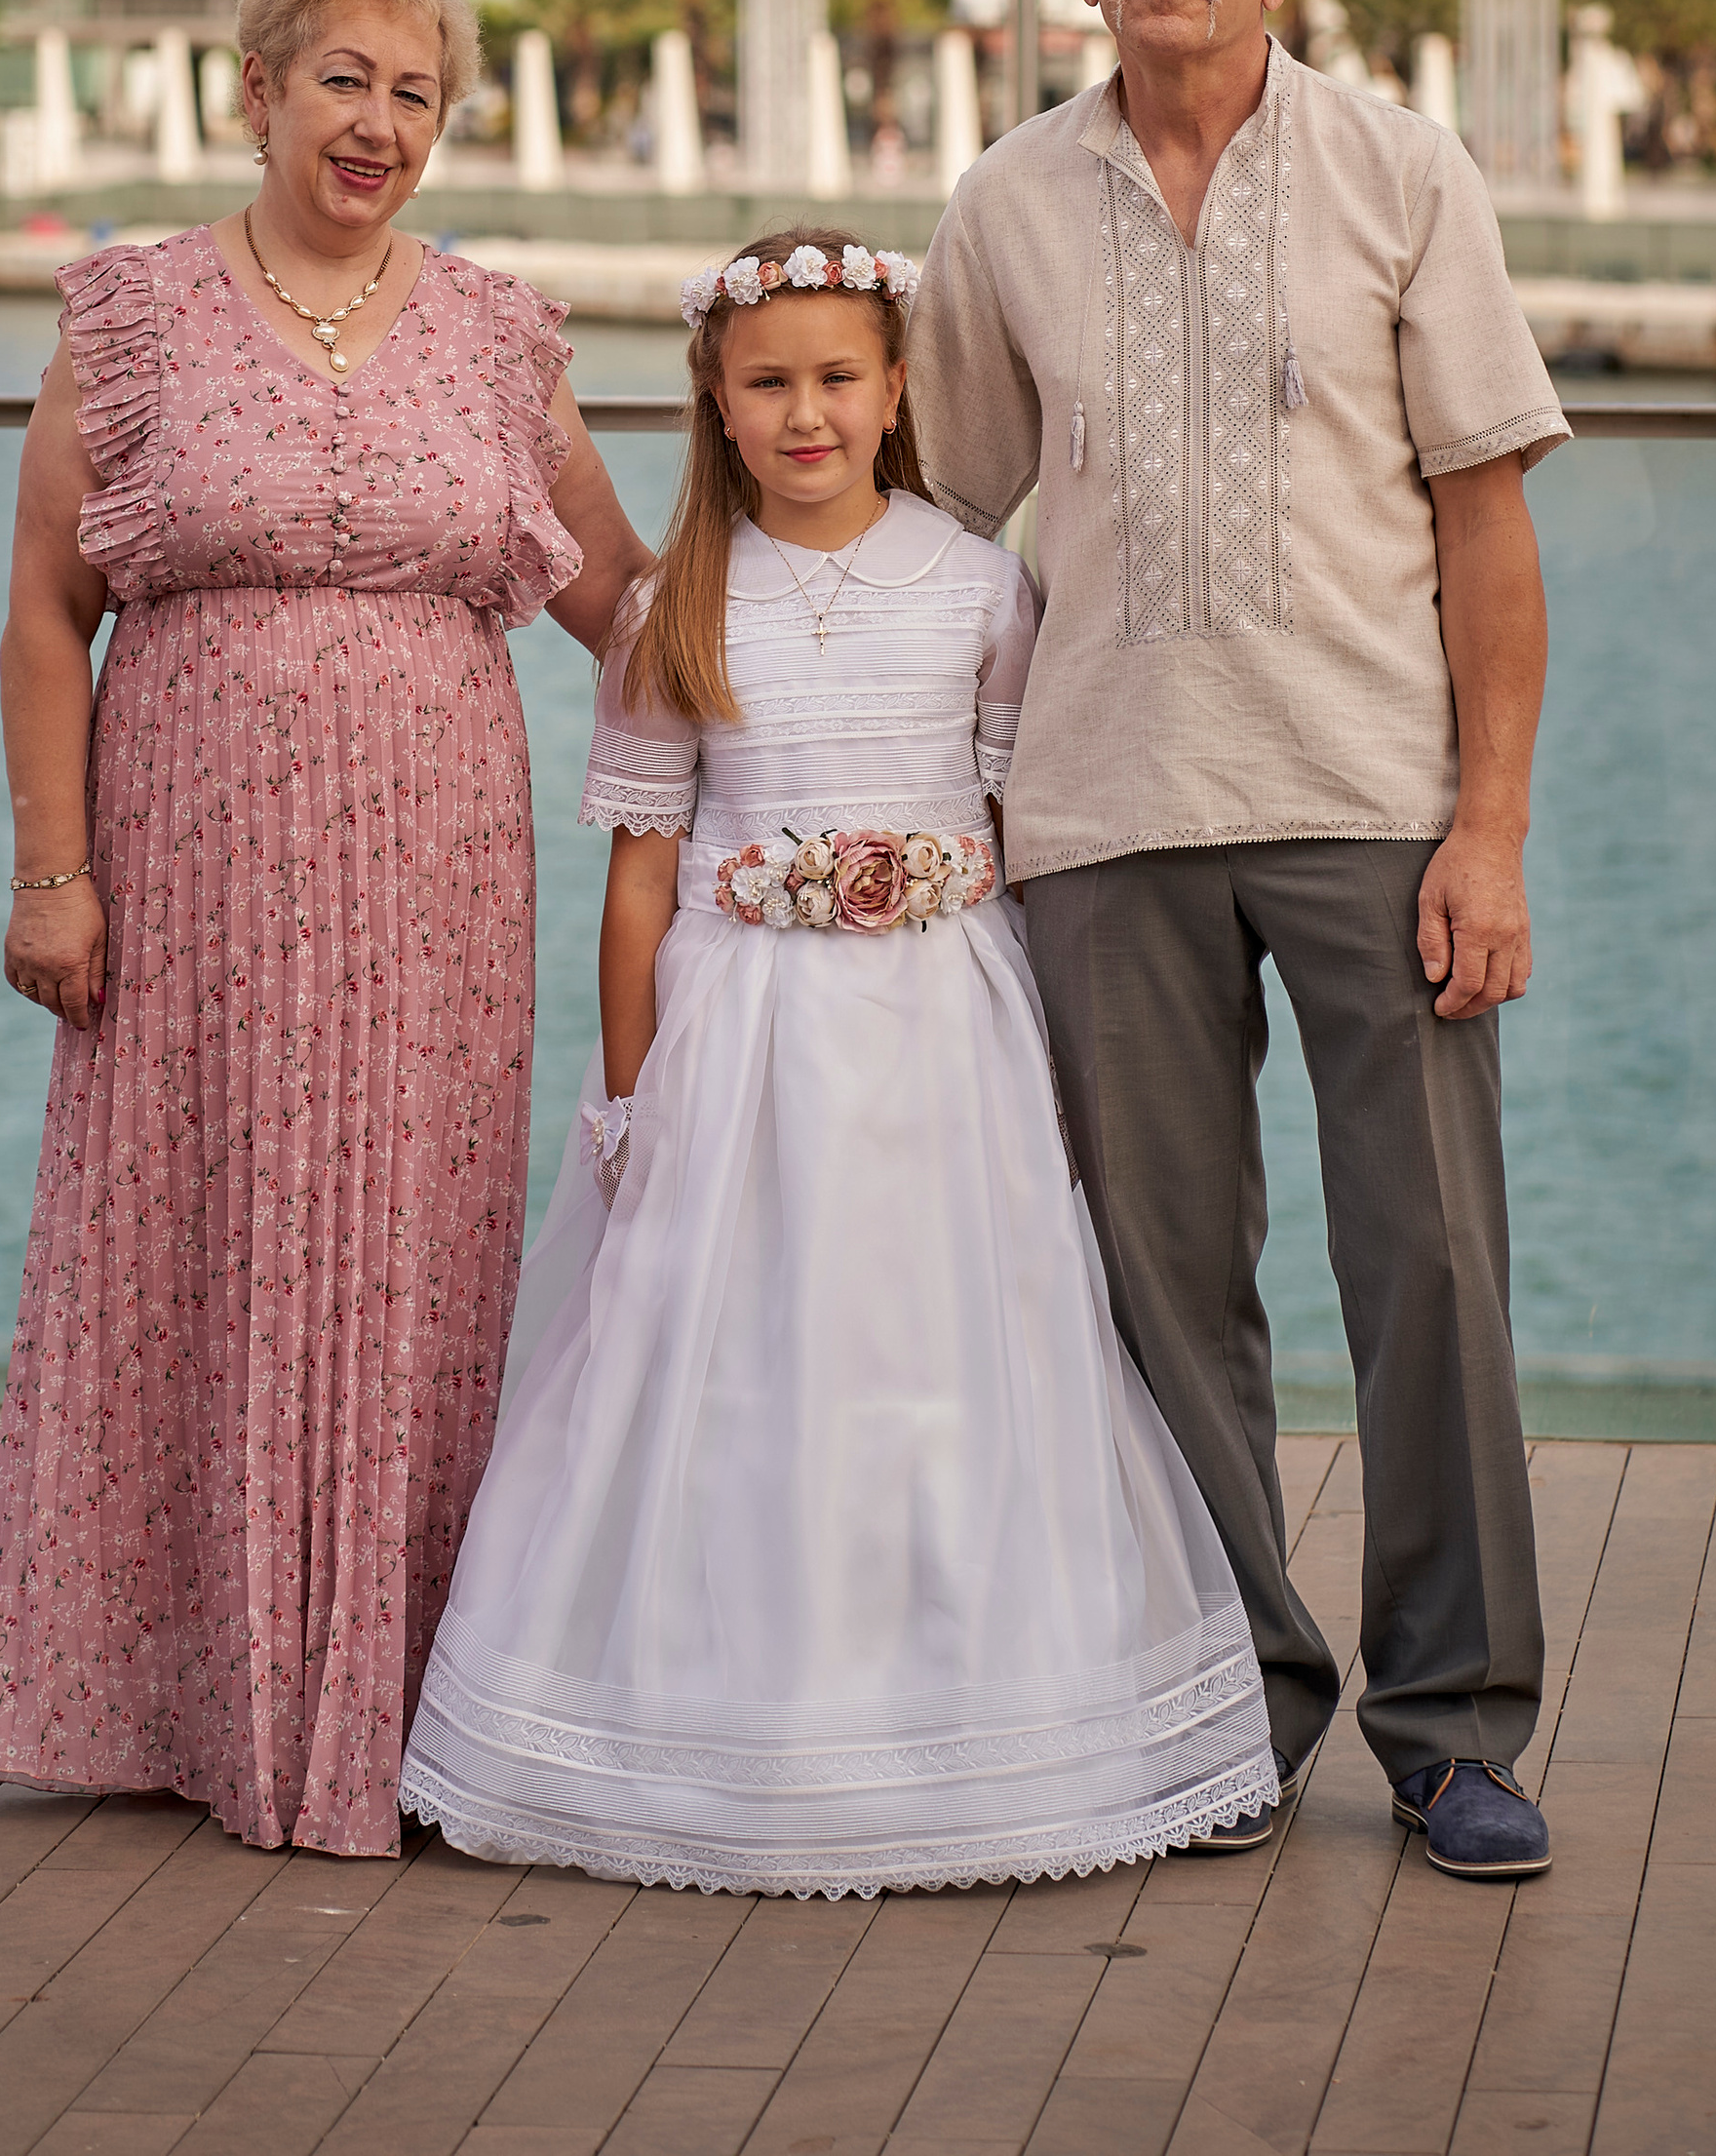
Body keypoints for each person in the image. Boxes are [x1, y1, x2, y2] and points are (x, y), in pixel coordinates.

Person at [400, 230, 1278, 1898]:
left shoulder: (975, 582)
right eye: (769, 385)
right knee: (733, 1350)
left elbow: (1019, 832)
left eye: (838, 380)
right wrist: (634, 1093)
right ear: (718, 409)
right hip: (746, 1040)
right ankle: (709, 1732)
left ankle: (982, 1713)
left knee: (948, 1340)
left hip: (946, 1028)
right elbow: (644, 875)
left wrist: (1055, 1072)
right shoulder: (677, 608)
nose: (807, 414)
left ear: (893, 395)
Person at [903, 0, 1570, 1884]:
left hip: (1375, 806)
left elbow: (1484, 524)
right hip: (1096, 813)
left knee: (1429, 1269)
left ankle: (1450, 1724)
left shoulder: (1398, 172)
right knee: (1159, 1284)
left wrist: (1489, 830)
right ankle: (1227, 1706)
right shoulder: (999, 205)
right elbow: (937, 524)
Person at [0, 0, 646, 1858]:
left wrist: (875, 633)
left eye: (415, 93)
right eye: (341, 78)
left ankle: (401, 1695)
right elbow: (40, 614)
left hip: (432, 872)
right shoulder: (136, 315)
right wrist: (50, 873)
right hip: (188, 867)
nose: (377, 123)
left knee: (412, 1258)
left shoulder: (501, 335)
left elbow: (626, 604)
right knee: (194, 1241)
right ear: (255, 88)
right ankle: (181, 1696)